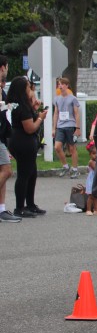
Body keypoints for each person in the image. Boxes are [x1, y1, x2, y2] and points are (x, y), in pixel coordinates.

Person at [5, 77, 48, 218]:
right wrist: (40, 118)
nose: (31, 90)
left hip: (19, 140)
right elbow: (30, 128)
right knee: (24, 174)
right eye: (28, 87)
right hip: (23, 141)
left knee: (32, 173)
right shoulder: (22, 107)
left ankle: (30, 204)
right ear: (23, 90)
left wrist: (35, 109)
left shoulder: (20, 105)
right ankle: (19, 207)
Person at [0, 55, 20, 222]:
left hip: (2, 136)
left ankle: (1, 209)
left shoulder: (2, 89)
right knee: (7, 170)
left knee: (3, 170)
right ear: (3, 67)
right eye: (6, 67)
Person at [52, 77, 82, 178]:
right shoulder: (57, 99)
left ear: (67, 86)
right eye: (59, 84)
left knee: (72, 148)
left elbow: (76, 113)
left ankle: (75, 169)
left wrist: (77, 128)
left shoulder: (72, 98)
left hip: (70, 125)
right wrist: (54, 128)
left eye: (62, 84)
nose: (60, 86)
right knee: (57, 147)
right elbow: (56, 113)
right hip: (60, 126)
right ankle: (65, 166)